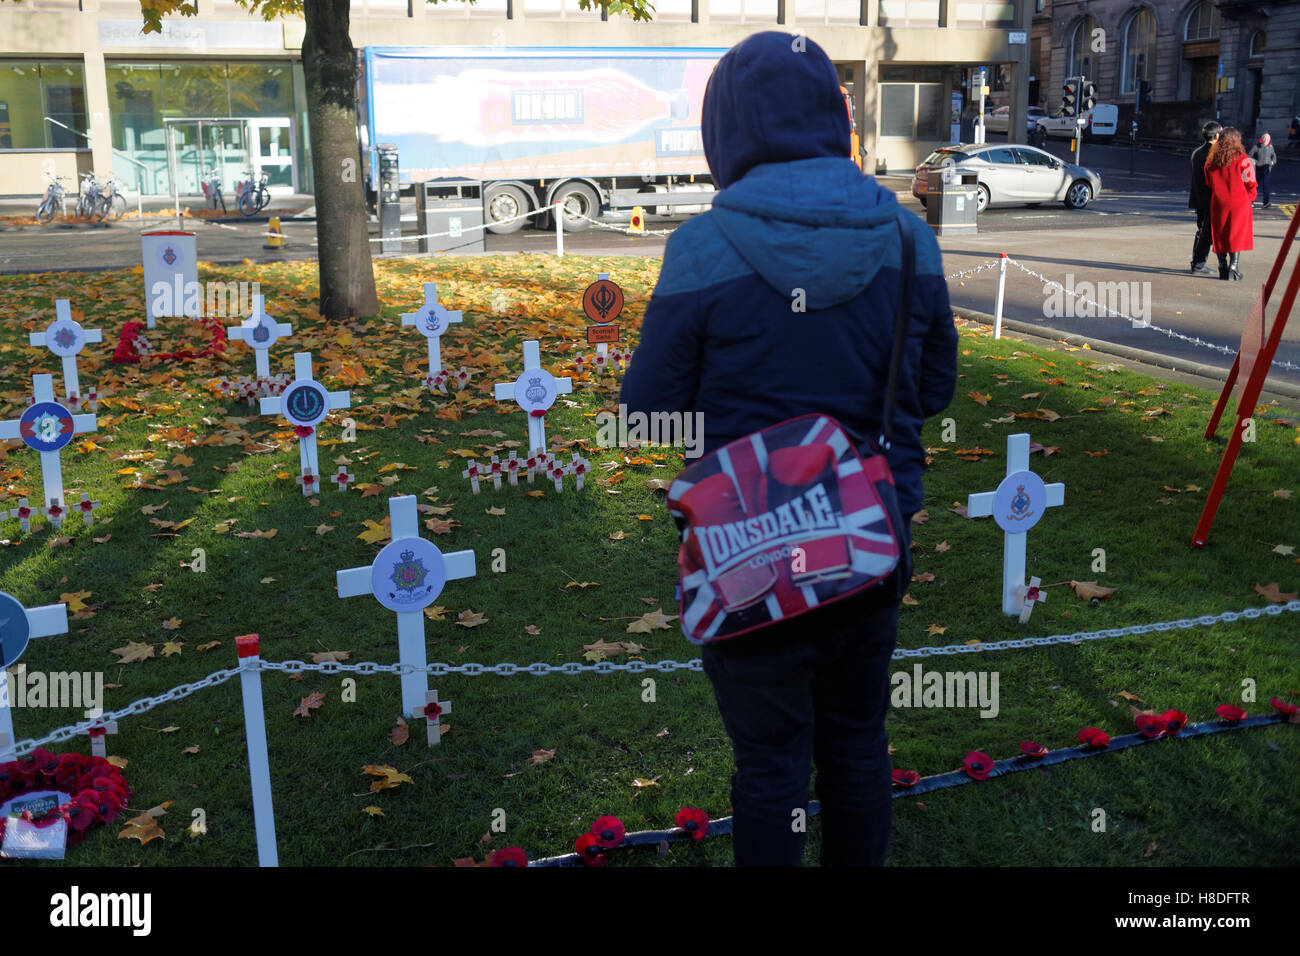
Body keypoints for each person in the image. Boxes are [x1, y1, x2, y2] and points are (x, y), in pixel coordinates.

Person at [620, 31, 957, 867]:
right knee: (856, 743)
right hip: (871, 544)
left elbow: (647, 417)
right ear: (831, 119)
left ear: (724, 128)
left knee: (768, 764)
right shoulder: (910, 239)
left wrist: (741, 433)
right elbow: (936, 385)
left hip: (747, 554)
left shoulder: (702, 247)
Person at [1205, 127, 1256, 281]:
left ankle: (1222, 266)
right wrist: (1250, 197)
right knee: (1236, 233)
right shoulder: (1243, 159)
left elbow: (1208, 182)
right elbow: (1251, 181)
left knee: (1220, 233)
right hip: (1239, 201)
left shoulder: (1211, 160)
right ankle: (1233, 268)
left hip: (1219, 201)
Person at [1188, 121, 1221, 274]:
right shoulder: (1215, 154)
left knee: (1201, 231)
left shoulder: (1196, 152)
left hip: (1197, 197)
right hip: (1211, 199)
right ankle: (1199, 264)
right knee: (1207, 233)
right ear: (1216, 135)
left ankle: (1196, 262)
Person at [1249, 132, 1276, 207]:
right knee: (1255, 186)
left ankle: (1266, 202)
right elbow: (1249, 155)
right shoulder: (1256, 146)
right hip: (1258, 169)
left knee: (1266, 186)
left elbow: (1274, 156)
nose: (1266, 139)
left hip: (1267, 170)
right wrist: (1253, 161)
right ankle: (1251, 201)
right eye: (1265, 138)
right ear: (1261, 138)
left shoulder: (1271, 147)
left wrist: (1273, 162)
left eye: (1268, 138)